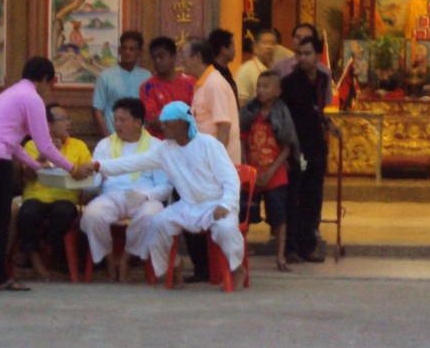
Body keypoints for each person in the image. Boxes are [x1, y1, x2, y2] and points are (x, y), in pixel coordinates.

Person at [0, 56, 93, 292]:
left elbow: (12, 142)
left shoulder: (9, 94)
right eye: (50, 83)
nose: (48, 89)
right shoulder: (32, 98)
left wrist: (34, 165)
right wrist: (73, 169)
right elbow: (45, 146)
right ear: (45, 78)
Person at [92, 101, 245, 289]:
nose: (162, 127)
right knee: (157, 224)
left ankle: (237, 268)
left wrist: (226, 204)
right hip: (188, 206)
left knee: (226, 229)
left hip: (217, 204)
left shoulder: (209, 144)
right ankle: (173, 266)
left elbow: (231, 179)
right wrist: (98, 166)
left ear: (180, 122)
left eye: (166, 123)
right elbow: (132, 162)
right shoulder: (164, 149)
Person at [80, 97, 171, 282]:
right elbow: (95, 181)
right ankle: (109, 260)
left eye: (123, 120)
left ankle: (126, 259)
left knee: (151, 215)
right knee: (92, 214)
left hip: (143, 197)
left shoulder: (157, 146)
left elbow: (166, 186)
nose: (117, 125)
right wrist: (86, 176)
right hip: (111, 195)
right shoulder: (105, 144)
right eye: (116, 120)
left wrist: (145, 196)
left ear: (138, 122)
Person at [179, 36, 241, 283]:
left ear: (197, 57)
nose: (182, 61)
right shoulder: (202, 84)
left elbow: (223, 126)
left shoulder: (214, 84)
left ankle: (210, 268)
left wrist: (217, 164)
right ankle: (204, 268)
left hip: (215, 169)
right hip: (204, 165)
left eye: (184, 55)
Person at [280, 34, 339, 264]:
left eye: (308, 54)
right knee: (294, 197)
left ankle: (308, 246)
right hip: (296, 147)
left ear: (318, 56)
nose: (303, 58)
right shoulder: (289, 83)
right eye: (300, 54)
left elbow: (318, 110)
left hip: (316, 145)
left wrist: (329, 124)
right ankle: (290, 248)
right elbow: (283, 117)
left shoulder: (323, 79)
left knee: (313, 199)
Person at [16, 103, 93, 281]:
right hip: (36, 195)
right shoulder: (32, 145)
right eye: (63, 119)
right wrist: (45, 154)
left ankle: (40, 248)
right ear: (48, 125)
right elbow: (28, 175)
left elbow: (88, 171)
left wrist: (83, 170)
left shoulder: (78, 146)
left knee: (64, 213)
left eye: (68, 119)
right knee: (28, 213)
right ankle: (37, 261)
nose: (68, 123)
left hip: (66, 197)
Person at [239, 71, 300, 272]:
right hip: (251, 175)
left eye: (266, 87)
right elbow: (242, 140)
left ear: (277, 91)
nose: (260, 90)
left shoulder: (282, 114)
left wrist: (269, 173)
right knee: (244, 215)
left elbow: (287, 148)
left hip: (275, 175)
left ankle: (280, 256)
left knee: (279, 217)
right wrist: (247, 168)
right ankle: (239, 255)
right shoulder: (249, 112)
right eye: (259, 86)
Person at [92, 31, 152, 138]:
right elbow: (97, 109)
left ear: (140, 52)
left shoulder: (147, 77)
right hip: (113, 138)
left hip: (141, 139)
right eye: (124, 48)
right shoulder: (105, 76)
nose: (127, 52)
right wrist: (107, 138)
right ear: (119, 51)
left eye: (132, 49)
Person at [139, 36, 196, 136]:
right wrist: (182, 119)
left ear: (173, 57)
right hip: (158, 142)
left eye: (161, 57)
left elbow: (195, 116)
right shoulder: (147, 87)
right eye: (154, 58)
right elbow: (152, 122)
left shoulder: (191, 83)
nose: (157, 61)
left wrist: (164, 119)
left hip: (187, 141)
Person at [272, 23, 334, 106]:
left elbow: (327, 103)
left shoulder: (324, 73)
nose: (301, 41)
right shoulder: (279, 68)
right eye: (298, 37)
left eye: (306, 38)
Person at [235, 28, 277, 107]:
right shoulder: (246, 70)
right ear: (255, 47)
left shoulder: (276, 70)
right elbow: (241, 104)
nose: (269, 47)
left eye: (273, 43)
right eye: (265, 43)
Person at [208, 28, 238, 100]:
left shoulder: (226, 71)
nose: (235, 50)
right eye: (232, 46)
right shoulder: (212, 73)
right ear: (223, 49)